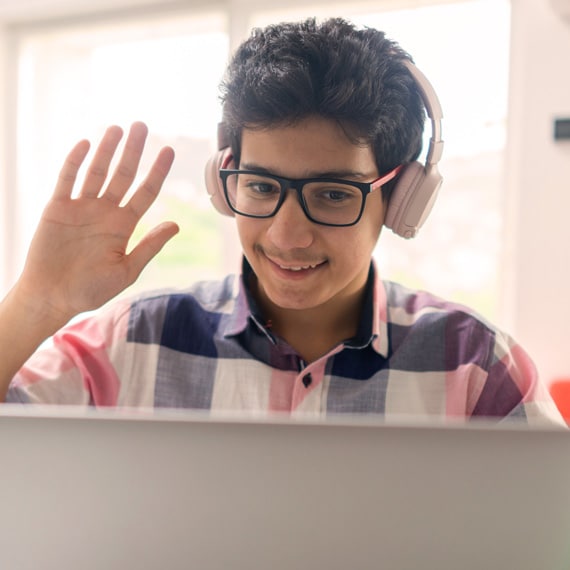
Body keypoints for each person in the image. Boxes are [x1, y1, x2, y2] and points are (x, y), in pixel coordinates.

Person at [0, 17, 563, 424]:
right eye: (262, 186)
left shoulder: (478, 368)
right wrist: (36, 303)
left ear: (401, 200)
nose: (286, 235)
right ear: (227, 181)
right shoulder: (132, 341)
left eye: (334, 194)